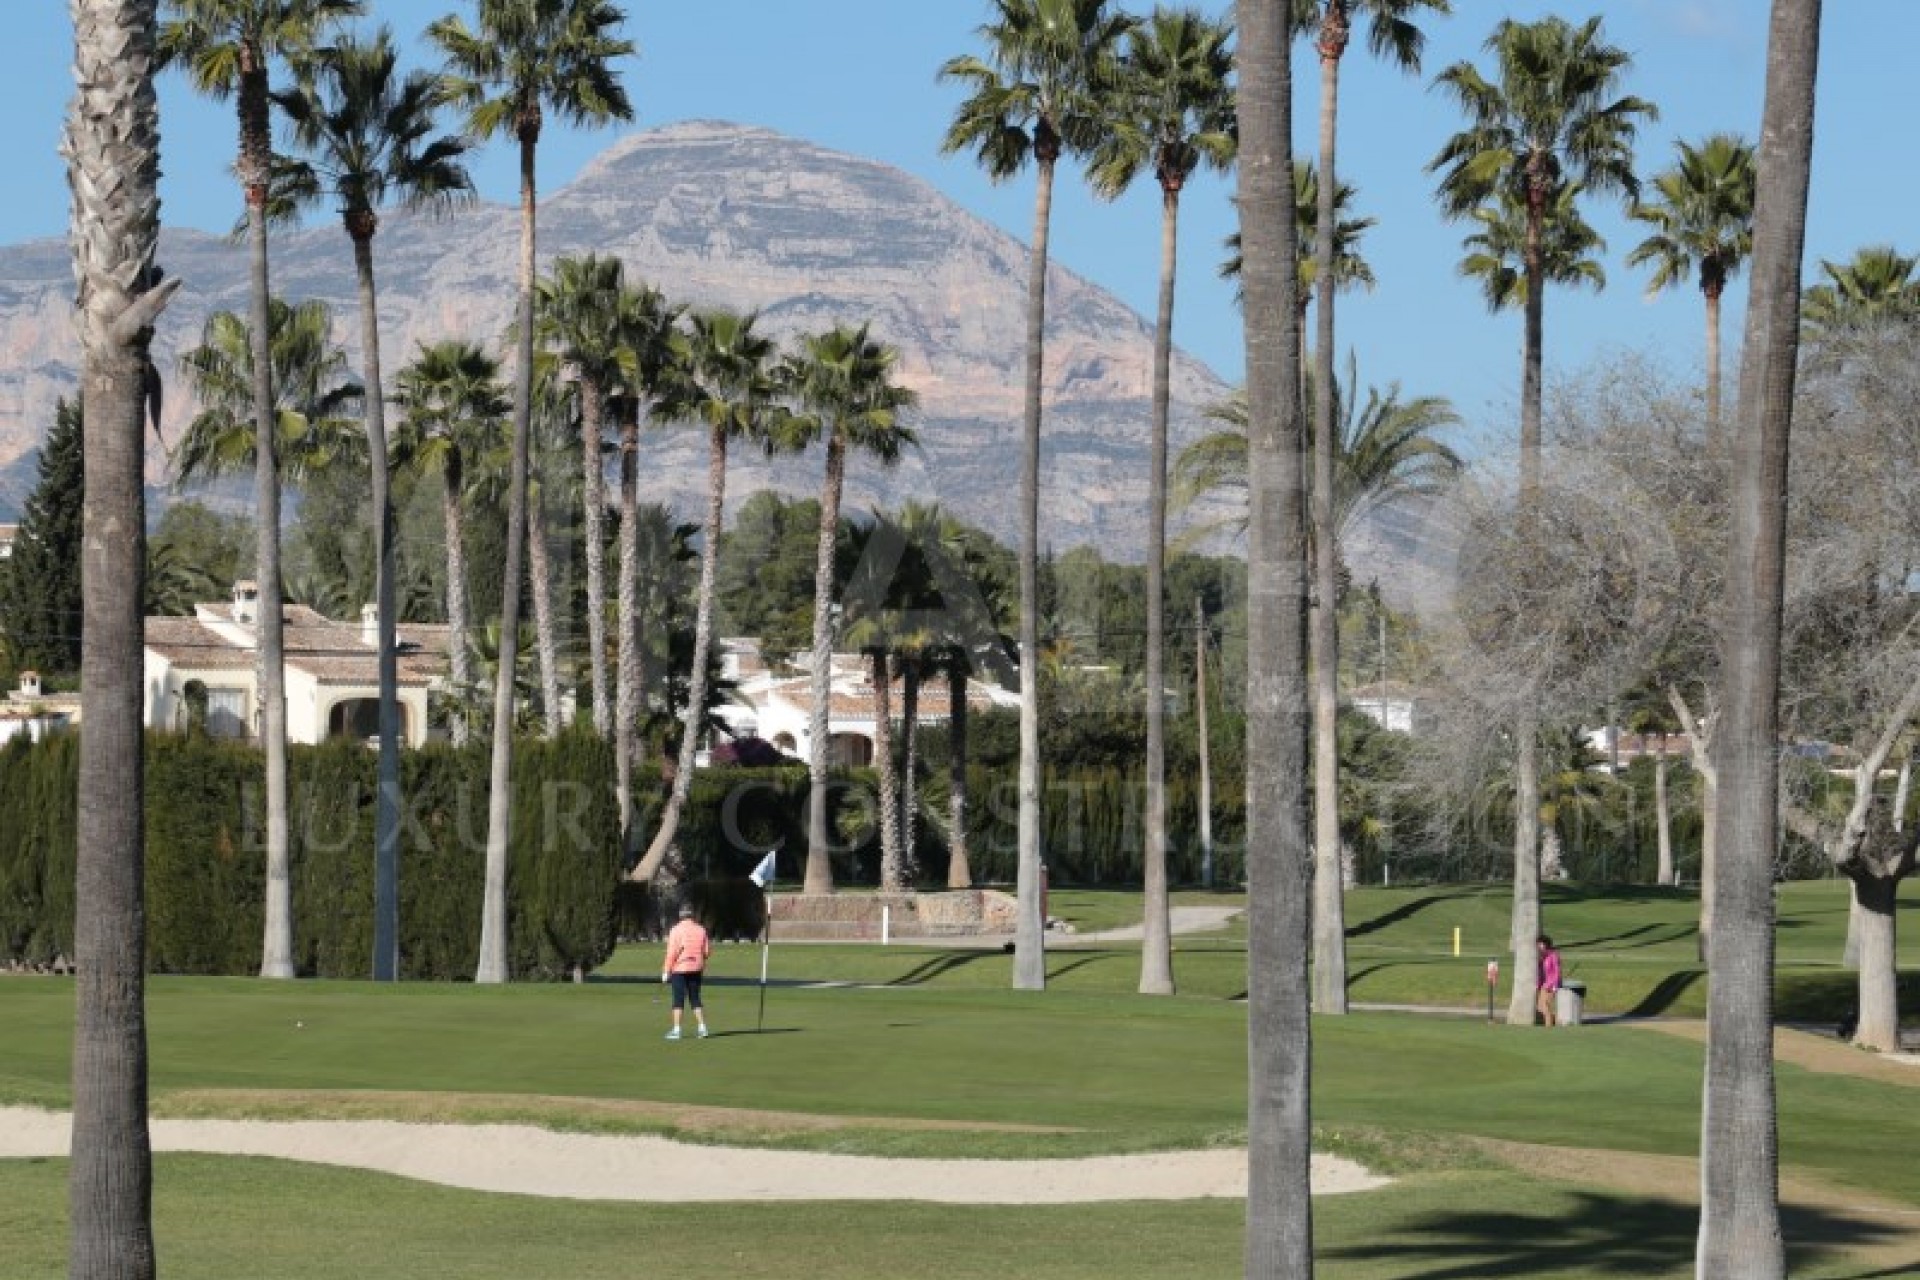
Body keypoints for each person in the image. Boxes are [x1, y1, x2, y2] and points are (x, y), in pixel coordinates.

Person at [662, 903, 712, 1040]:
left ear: (680, 915)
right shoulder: (701, 930)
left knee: (678, 1000)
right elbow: (707, 952)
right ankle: (703, 1028)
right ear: (692, 915)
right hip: (696, 968)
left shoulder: (675, 930)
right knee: (695, 999)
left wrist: (666, 971)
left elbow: (671, 953)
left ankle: (676, 1030)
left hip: (679, 969)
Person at [1536, 934, 1561, 1027]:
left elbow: (1557, 972)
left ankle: (1549, 1026)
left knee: (1546, 1006)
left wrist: (1555, 986)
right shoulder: (1543, 956)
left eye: (1540, 944)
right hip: (1544, 985)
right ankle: (1556, 1021)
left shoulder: (1553, 955)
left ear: (1545, 944)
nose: (1539, 946)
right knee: (1541, 1007)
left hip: (1551, 985)